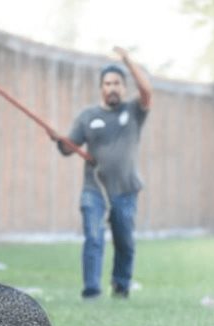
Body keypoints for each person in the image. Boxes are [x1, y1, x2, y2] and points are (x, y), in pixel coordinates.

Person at [50, 46, 152, 299]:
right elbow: (68, 148)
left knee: (124, 243)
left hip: (125, 190)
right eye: (108, 83)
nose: (113, 87)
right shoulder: (88, 116)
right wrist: (58, 140)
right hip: (93, 188)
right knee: (93, 238)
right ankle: (92, 291)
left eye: (117, 83)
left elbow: (147, 91)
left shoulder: (133, 112)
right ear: (101, 88)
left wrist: (128, 60)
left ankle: (120, 286)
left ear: (124, 87)